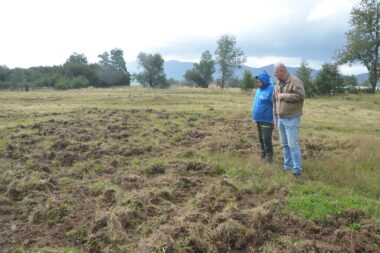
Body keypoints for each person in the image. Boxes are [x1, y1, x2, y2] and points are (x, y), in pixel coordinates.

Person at [273, 63, 305, 176]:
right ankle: (287, 167)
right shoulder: (277, 85)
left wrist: (284, 96)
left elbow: (301, 95)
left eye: (276, 72)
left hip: (291, 118)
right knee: (284, 145)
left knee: (292, 145)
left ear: (282, 71)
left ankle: (297, 170)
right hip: (281, 119)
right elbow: (275, 102)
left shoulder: (295, 81)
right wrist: (275, 117)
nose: (274, 74)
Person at [252, 71, 275, 163]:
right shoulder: (258, 90)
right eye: (257, 80)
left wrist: (274, 118)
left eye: (259, 80)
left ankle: (269, 158)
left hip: (267, 120)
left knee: (266, 139)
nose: (258, 82)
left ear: (265, 80)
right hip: (258, 119)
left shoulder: (272, 89)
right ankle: (263, 153)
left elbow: (276, 105)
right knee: (261, 138)